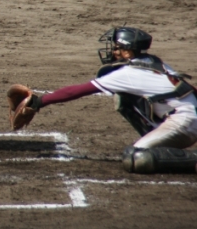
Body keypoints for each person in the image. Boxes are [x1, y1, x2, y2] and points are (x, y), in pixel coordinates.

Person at [17, 26, 197, 174]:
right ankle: (157, 137)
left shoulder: (128, 74)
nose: (113, 51)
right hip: (187, 117)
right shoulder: (156, 63)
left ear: (128, 52)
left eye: (117, 48)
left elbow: (77, 91)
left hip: (184, 123)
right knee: (124, 97)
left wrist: (39, 102)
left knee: (137, 156)